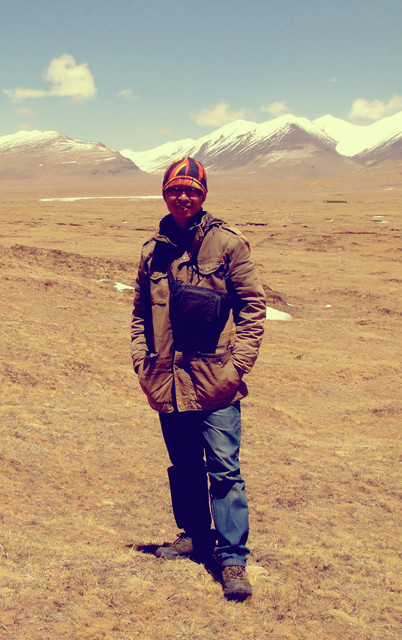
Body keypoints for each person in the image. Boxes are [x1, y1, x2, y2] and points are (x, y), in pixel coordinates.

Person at [131, 157, 266, 601]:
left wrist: (238, 366)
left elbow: (252, 308)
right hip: (167, 379)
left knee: (225, 470)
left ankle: (232, 559)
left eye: (191, 190)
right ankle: (193, 535)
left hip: (215, 380)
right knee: (184, 465)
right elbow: (139, 313)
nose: (183, 197)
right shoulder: (152, 251)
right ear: (164, 194)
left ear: (203, 194)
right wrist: (141, 361)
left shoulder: (228, 244)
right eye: (175, 189)